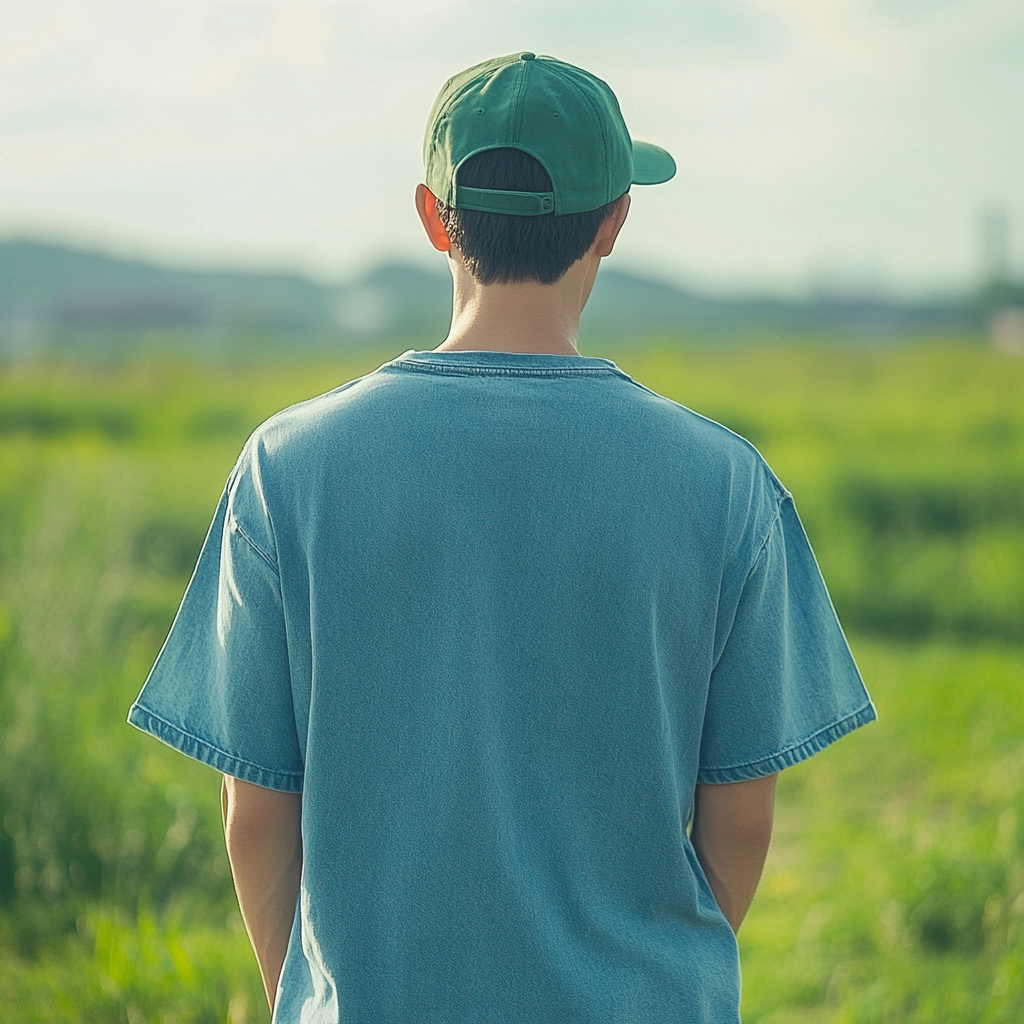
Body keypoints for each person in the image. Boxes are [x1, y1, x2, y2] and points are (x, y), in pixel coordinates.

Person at [128, 52, 876, 1024]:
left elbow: (255, 810)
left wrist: (314, 997)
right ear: (614, 221)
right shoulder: (723, 483)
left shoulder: (286, 468)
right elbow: (739, 812)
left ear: (433, 218)